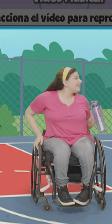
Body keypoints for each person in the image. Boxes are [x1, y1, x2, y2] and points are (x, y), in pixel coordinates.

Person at [25, 66, 96, 207]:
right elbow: (29, 113)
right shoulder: (46, 97)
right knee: (62, 150)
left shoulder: (83, 100)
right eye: (76, 78)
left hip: (80, 137)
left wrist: (96, 115)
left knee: (87, 148)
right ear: (65, 82)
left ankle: (87, 188)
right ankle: (62, 189)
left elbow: (87, 124)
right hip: (55, 137)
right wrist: (39, 134)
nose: (80, 81)